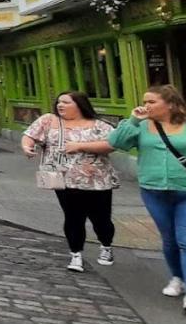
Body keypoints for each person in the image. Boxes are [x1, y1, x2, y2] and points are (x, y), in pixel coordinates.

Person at [70, 85, 186, 314]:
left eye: (152, 102)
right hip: (154, 189)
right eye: (145, 101)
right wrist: (133, 121)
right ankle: (177, 277)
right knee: (169, 238)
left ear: (170, 103)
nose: (146, 106)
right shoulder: (142, 127)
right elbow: (115, 142)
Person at [21, 91, 119, 272]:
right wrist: (27, 147)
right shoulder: (49, 120)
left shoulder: (99, 125)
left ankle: (106, 246)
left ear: (80, 105)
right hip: (64, 180)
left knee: (101, 218)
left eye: (66, 102)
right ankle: (76, 254)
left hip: (97, 181)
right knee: (73, 217)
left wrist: (80, 146)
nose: (60, 105)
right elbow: (30, 135)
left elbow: (112, 144)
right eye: (59, 102)